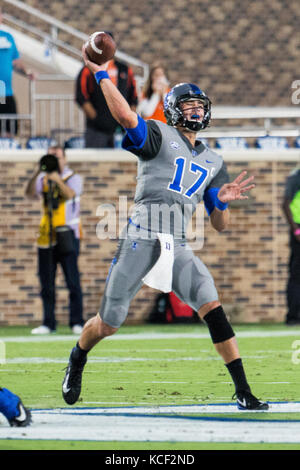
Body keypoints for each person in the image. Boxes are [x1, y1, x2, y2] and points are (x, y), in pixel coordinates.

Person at [62, 45, 269, 411]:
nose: (196, 110)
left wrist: (221, 200)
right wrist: (99, 73)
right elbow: (126, 116)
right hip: (142, 234)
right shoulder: (158, 135)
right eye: (189, 105)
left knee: (212, 304)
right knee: (109, 322)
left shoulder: (213, 160)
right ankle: (78, 358)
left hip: (177, 244)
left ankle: (244, 391)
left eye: (200, 105)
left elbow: (220, 225)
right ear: (174, 110)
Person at [25, 145, 84, 334]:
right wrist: (38, 171)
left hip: (68, 233)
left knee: (72, 280)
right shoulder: (42, 179)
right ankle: (48, 323)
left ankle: (77, 321)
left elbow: (70, 195)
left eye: (56, 157)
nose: (53, 160)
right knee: (46, 282)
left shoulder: (73, 177)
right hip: (46, 235)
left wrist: (56, 178)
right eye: (50, 156)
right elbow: (29, 193)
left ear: (65, 159)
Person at [75, 32, 138, 148]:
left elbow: (133, 97)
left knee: (124, 162)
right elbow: (81, 96)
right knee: (95, 162)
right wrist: (97, 119)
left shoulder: (124, 69)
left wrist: (129, 119)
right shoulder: (88, 70)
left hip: (122, 127)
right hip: (97, 128)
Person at [0, 7, 35, 136]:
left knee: (10, 132)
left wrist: (27, 72)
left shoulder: (8, 37)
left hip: (6, 93)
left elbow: (16, 62)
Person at [282, 167, 300, 325]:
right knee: (297, 274)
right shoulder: (297, 177)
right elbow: (286, 203)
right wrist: (296, 229)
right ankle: (293, 316)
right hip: (299, 230)